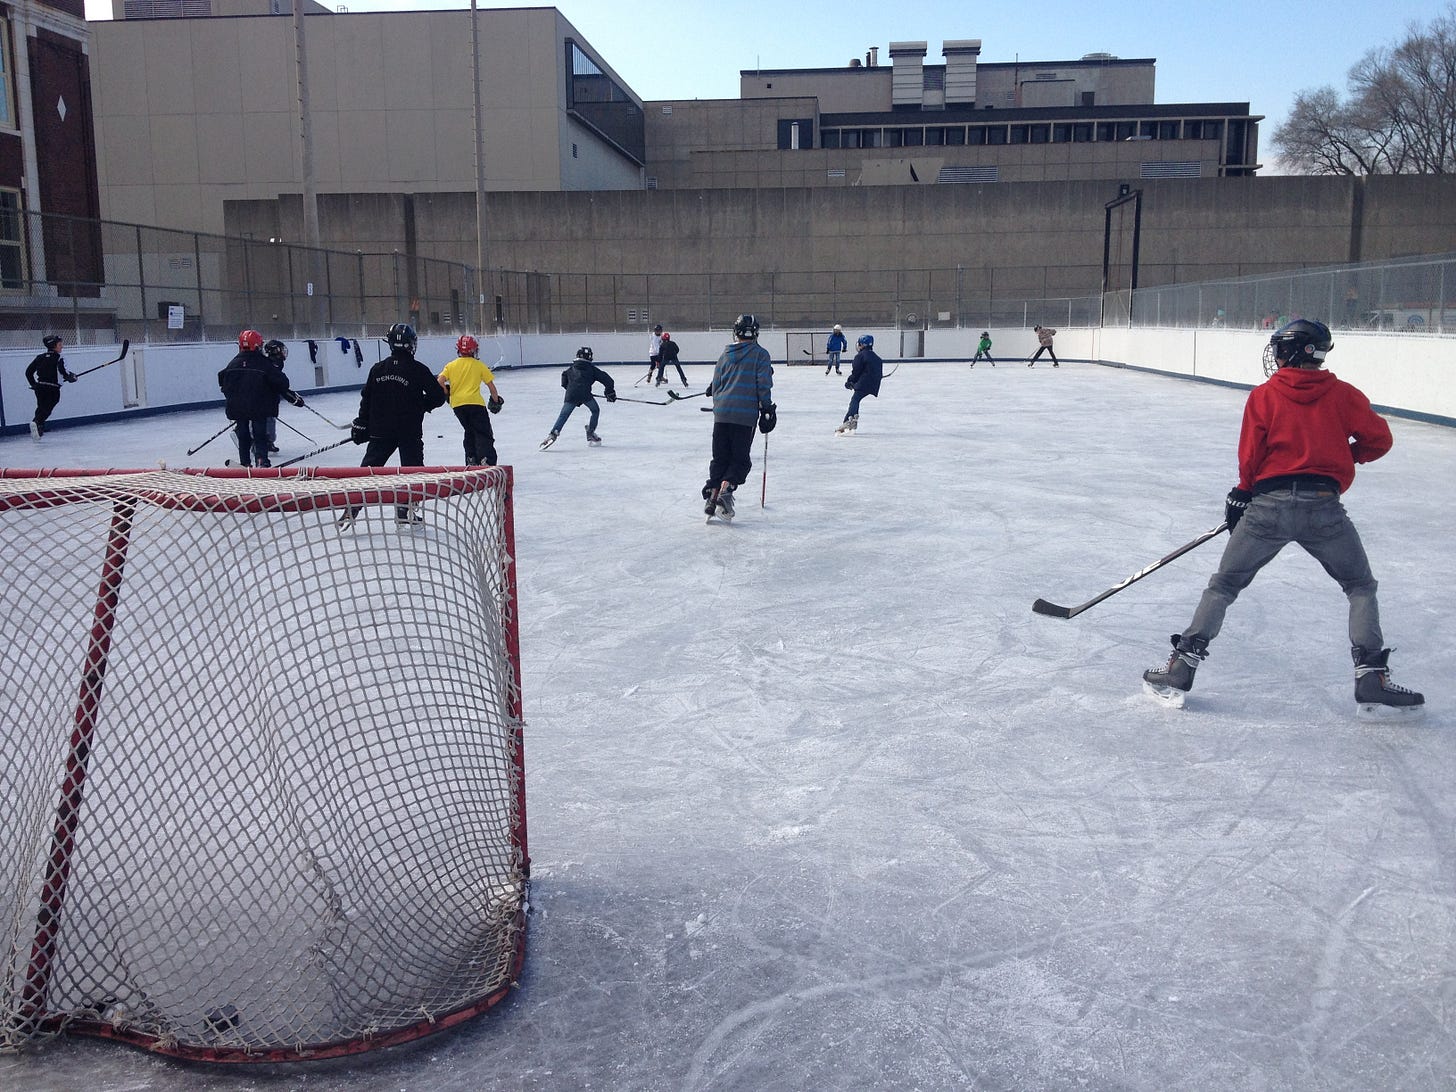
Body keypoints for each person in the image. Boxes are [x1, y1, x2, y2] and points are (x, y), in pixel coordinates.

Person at [1142, 319, 1424, 720]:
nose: (1274, 356)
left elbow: (1250, 454)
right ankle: (1371, 677)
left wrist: (1242, 493)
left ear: (1293, 351)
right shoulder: (1344, 395)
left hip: (1268, 508)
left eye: (1279, 349)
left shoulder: (1265, 395)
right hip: (1324, 508)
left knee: (1224, 585)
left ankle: (1181, 666)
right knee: (1360, 586)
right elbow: (1380, 440)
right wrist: (1343, 457)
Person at [344, 322, 446, 526]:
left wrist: (362, 423)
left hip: (381, 432)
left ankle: (350, 511)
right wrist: (421, 405)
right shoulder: (418, 369)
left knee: (367, 473)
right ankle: (404, 510)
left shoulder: (378, 369)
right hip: (409, 432)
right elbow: (438, 397)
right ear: (411, 345)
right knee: (413, 473)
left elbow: (366, 399)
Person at [702, 313, 774, 519]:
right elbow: (763, 384)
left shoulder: (725, 354)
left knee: (720, 457)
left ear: (736, 332)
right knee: (739, 460)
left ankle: (713, 493)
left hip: (722, 414)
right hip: (744, 415)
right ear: (755, 333)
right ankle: (725, 492)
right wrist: (767, 408)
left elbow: (717, 382)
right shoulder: (761, 355)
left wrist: (715, 391)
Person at [218, 329, 302, 467]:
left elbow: (222, 380)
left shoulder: (233, 363)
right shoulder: (263, 363)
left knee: (243, 434)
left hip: (237, 407)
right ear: (257, 345)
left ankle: (245, 463)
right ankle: (261, 460)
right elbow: (281, 382)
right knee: (260, 434)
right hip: (259, 407)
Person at [438, 334, 503, 465]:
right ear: (474, 350)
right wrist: (496, 401)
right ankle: (486, 459)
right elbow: (492, 388)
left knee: (469, 431)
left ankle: (471, 458)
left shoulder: (451, 365)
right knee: (483, 432)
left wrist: (447, 393)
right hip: (476, 404)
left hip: (458, 406)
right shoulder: (479, 365)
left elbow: (440, 381)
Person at [542, 347, 615, 449]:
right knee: (595, 410)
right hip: (585, 395)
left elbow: (564, 379)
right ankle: (591, 432)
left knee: (564, 415)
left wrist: (573, 390)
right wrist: (610, 393)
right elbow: (608, 380)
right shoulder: (591, 369)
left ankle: (553, 433)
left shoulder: (571, 368)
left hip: (571, 395)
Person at [25, 334, 77, 439]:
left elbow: (28, 372)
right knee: (47, 408)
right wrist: (71, 377)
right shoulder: (59, 357)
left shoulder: (40, 357)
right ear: (54, 345)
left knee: (41, 407)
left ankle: (39, 427)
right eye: (60, 344)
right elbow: (63, 371)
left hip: (40, 387)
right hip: (53, 388)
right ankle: (37, 422)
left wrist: (34, 384)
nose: (62, 346)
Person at [835, 334, 882, 434]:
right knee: (857, 399)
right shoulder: (876, 357)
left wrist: (850, 381)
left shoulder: (860, 356)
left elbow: (856, 372)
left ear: (862, 345)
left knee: (855, 399)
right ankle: (853, 419)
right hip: (874, 384)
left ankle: (849, 420)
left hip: (864, 383)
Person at [261, 339, 291, 454]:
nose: (283, 352)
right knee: (266, 419)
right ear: (275, 350)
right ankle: (262, 442)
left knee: (269, 419)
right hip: (263, 399)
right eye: (281, 349)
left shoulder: (276, 363)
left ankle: (268, 441)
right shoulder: (271, 364)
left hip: (270, 400)